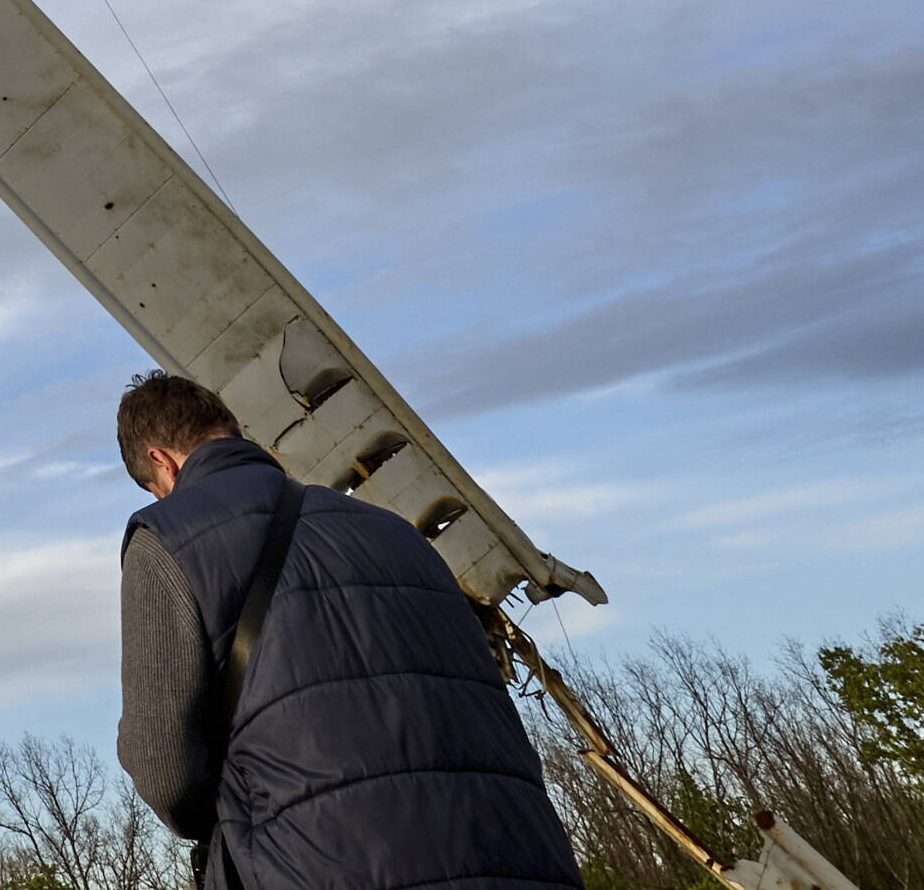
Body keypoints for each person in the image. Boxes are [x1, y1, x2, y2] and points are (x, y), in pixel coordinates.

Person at [114, 371, 580, 890]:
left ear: (162, 461)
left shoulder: (167, 536)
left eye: (155, 489)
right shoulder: (396, 532)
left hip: (329, 863)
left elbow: (163, 765)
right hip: (519, 853)